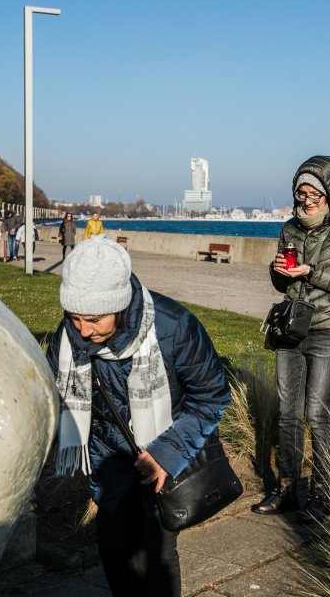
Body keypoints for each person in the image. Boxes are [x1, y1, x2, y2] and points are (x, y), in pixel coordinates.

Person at [46, 237, 231, 597]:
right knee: (114, 555)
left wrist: (167, 453)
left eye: (95, 319)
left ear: (119, 305)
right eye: (74, 317)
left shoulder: (175, 327)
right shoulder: (68, 337)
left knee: (155, 562)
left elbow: (212, 396)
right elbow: (54, 394)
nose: (83, 330)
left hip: (163, 460)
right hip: (107, 464)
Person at [252, 155, 330, 520]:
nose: (306, 200)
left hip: (329, 331)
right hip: (291, 330)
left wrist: (312, 272)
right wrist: (278, 273)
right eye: (301, 193)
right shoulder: (290, 228)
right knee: (288, 414)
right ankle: (287, 488)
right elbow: (282, 281)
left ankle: (323, 493)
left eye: (313, 193)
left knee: (318, 414)